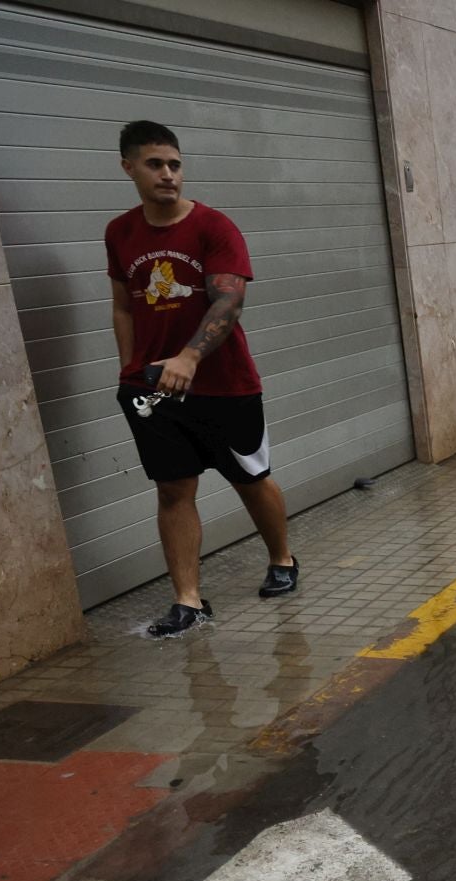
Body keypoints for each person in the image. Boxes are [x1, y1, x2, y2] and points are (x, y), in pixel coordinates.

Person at [107, 120, 296, 638]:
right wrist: (130, 368)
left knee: (249, 479)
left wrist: (188, 357)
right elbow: (124, 305)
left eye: (175, 164)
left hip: (226, 384)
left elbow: (229, 299)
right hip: (154, 388)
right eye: (155, 164)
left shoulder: (214, 227)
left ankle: (282, 558)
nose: (168, 174)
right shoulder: (120, 233)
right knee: (173, 489)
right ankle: (189, 602)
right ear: (129, 168)